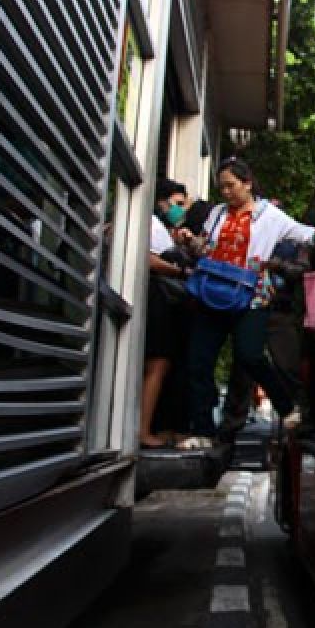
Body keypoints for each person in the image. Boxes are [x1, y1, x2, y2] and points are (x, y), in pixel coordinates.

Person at [175, 156, 315, 448]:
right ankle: (203, 431)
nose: (226, 193)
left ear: (248, 183)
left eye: (231, 186)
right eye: (222, 187)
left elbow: (307, 235)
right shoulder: (217, 213)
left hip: (252, 295)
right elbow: (205, 247)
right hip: (213, 291)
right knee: (198, 361)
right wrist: (189, 240)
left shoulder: (272, 216)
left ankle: (285, 406)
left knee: (250, 355)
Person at [141, 185, 190, 449]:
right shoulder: (145, 222)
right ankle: (143, 431)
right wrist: (179, 271)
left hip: (154, 301)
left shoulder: (164, 230)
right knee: (156, 366)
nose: (180, 210)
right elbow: (146, 258)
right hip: (151, 300)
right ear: (161, 202)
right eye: (176, 203)